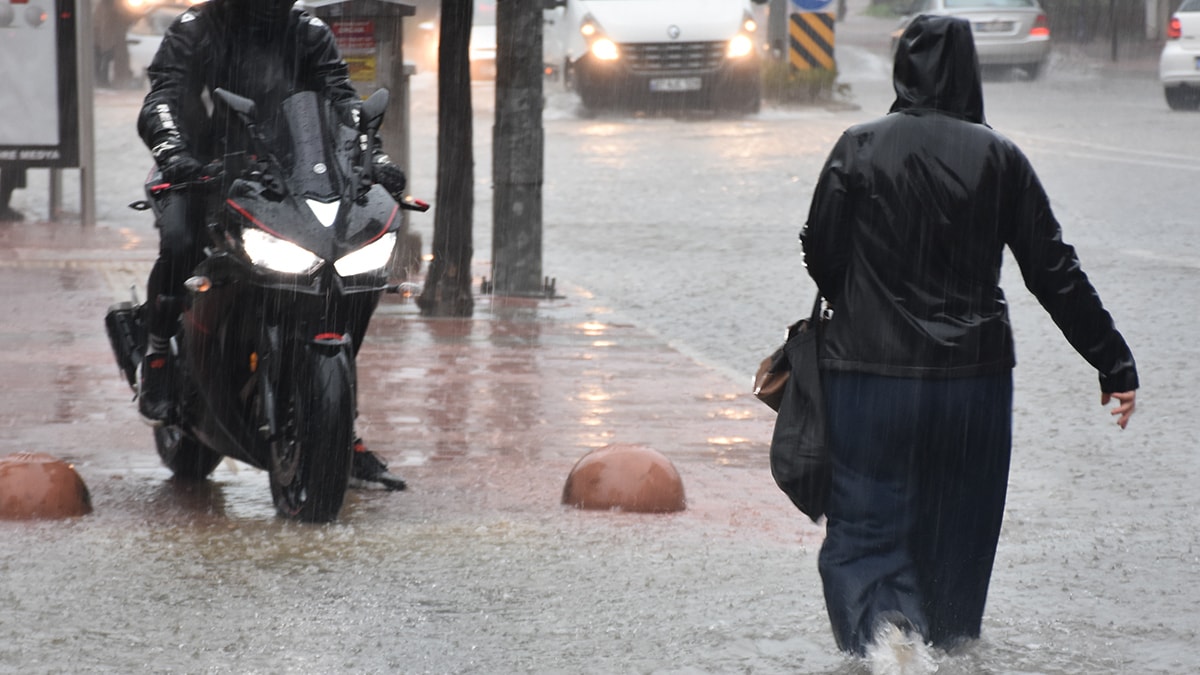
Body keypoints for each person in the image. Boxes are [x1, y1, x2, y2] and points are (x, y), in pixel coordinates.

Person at [799, 15, 1138, 663]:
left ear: (903, 68)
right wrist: (1113, 362)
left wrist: (863, 302)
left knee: (866, 534)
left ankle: (888, 644)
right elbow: (1054, 272)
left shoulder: (859, 146)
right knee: (957, 548)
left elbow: (821, 250)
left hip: (872, 384)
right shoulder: (1000, 158)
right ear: (970, 73)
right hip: (973, 390)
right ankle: (944, 649)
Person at [135, 0, 409, 490]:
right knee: (180, 241)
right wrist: (175, 151)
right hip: (203, 169)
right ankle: (157, 354)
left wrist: (372, 157)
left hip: (286, 175)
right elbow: (163, 98)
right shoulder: (197, 28)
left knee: (347, 267)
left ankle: (337, 423)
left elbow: (343, 101)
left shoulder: (307, 30)